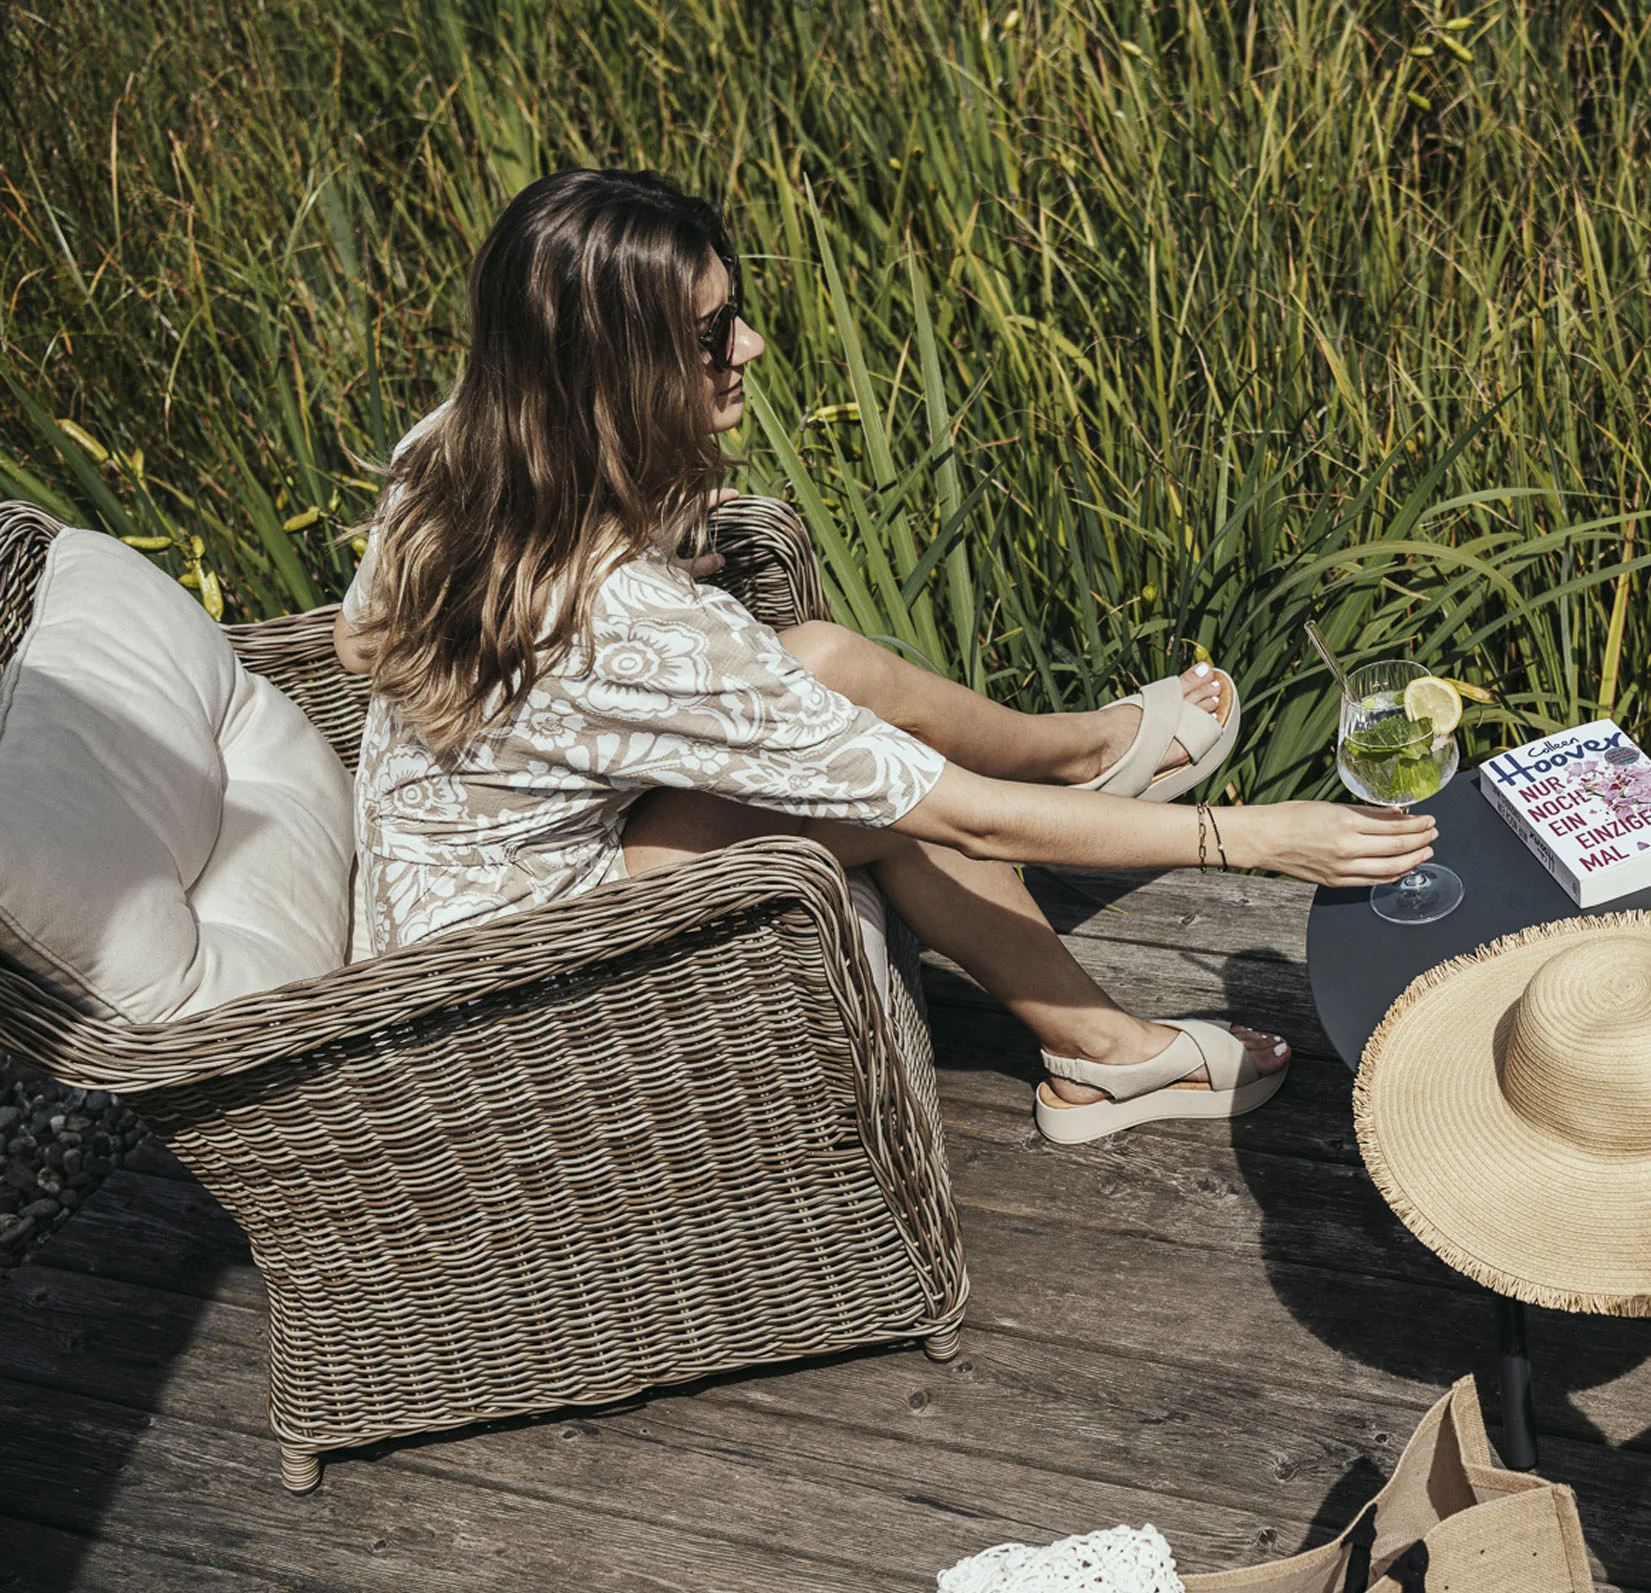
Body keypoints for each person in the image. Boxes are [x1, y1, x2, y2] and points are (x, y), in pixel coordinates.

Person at [334, 168, 1435, 1143]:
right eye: (711, 335)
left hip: (446, 882)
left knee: (821, 658)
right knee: (876, 798)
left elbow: (353, 639)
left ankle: (1076, 763)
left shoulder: (452, 447)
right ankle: (1103, 1049)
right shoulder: (630, 625)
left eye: (735, 314)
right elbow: (961, 816)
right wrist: (1252, 837)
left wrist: (608, 615)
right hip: (495, 986)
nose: (749, 347)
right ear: (612, 373)